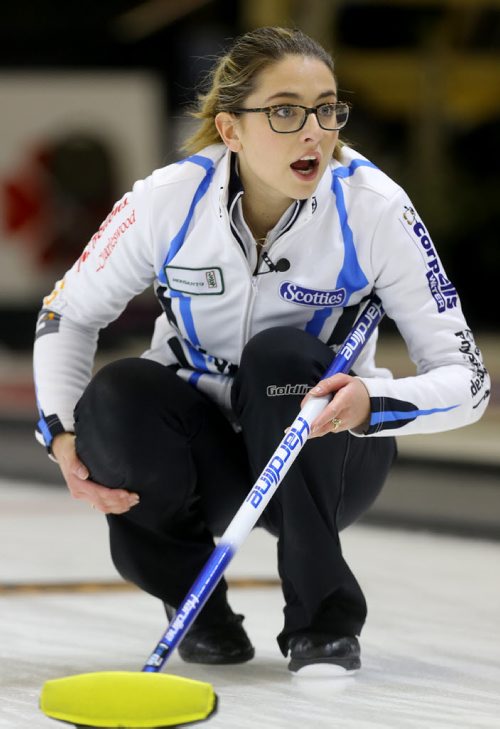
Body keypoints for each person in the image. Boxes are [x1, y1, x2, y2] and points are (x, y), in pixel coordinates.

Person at [33, 26, 490, 675]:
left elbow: (468, 382)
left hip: (325, 444)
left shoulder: (375, 210)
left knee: (279, 356)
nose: (315, 131)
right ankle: (196, 605)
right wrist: (59, 429)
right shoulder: (165, 201)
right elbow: (67, 310)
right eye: (285, 111)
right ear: (230, 130)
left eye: (328, 108)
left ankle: (321, 620)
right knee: (115, 396)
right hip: (207, 450)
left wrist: (372, 402)